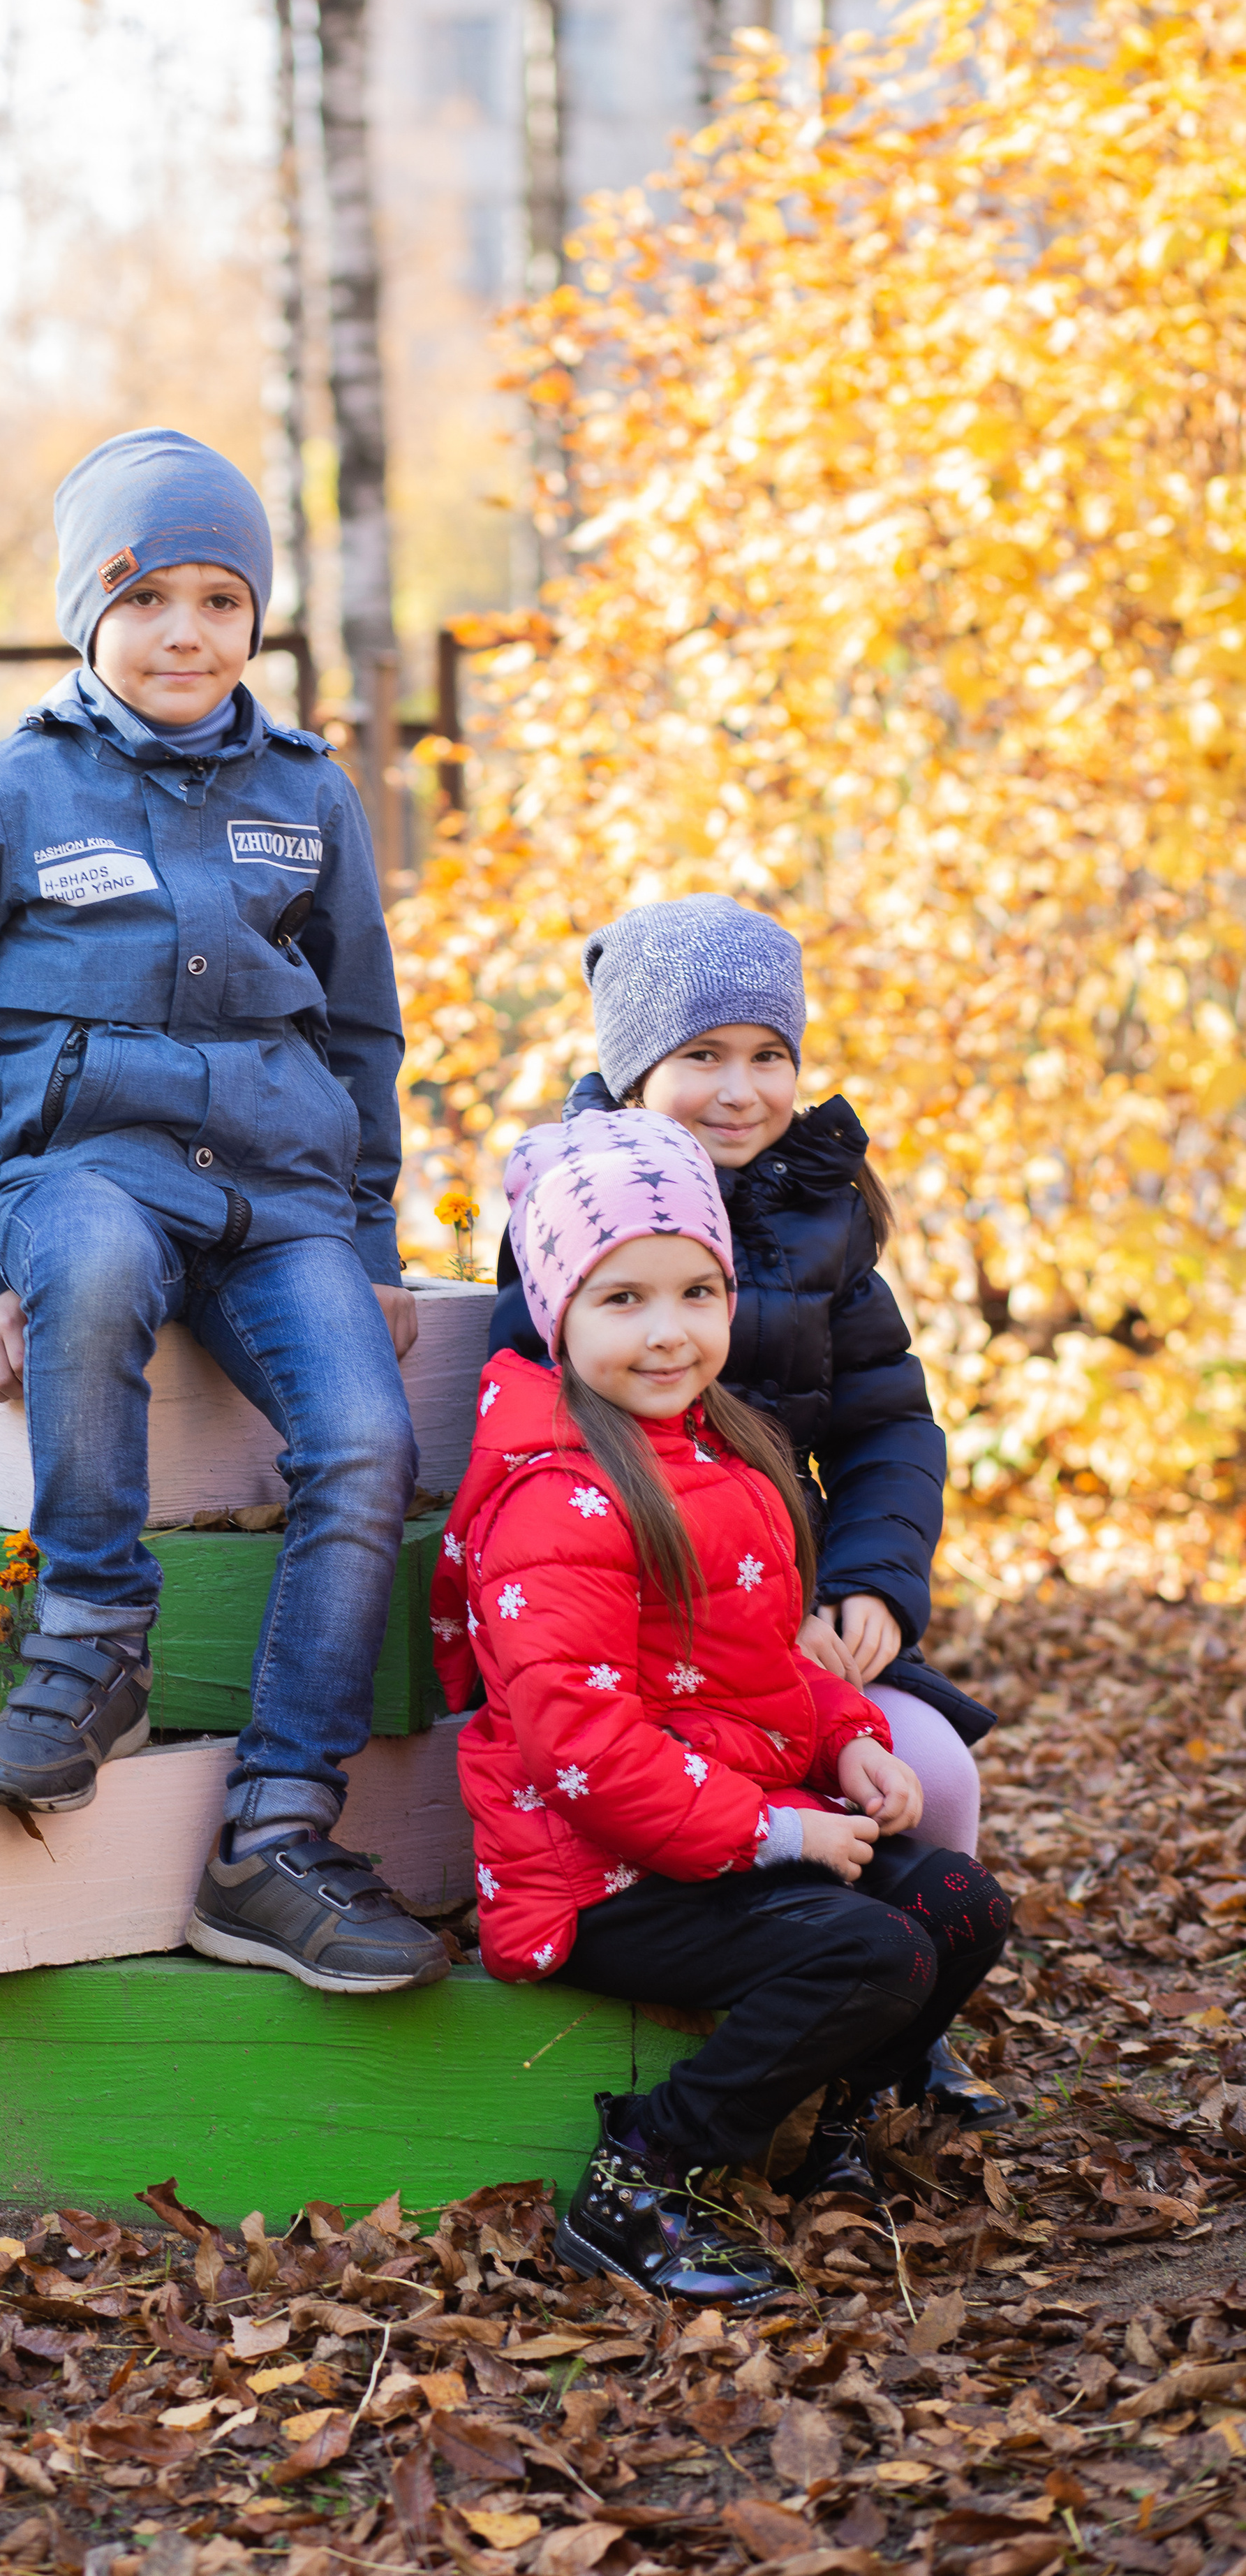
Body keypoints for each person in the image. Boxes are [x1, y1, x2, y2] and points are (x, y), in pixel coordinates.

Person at [0, 426, 448, 1995]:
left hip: (277, 1196)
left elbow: (359, 1029)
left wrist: (373, 1234)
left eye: (218, 600)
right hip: (87, 1173)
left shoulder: (306, 797)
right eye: (147, 600)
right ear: (88, 615)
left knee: (363, 1444)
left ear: (252, 619)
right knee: (101, 1268)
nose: (185, 633)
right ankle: (89, 1638)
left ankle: (274, 1831)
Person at [433, 1108, 1012, 2306]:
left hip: (710, 1833)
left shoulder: (717, 1449)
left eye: (698, 1293)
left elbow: (757, 1662)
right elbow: (586, 1751)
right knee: (868, 1949)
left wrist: (849, 1742)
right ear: (557, 1314)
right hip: (598, 1876)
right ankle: (641, 2171)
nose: (669, 1332)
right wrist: (782, 1833)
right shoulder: (556, 1504)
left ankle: (822, 2134)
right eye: (623, 1300)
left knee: (957, 1903)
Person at [487, 893, 1007, 2121]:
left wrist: (870, 1584)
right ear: (632, 1072)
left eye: (769, 1056)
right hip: (658, 1629)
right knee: (885, 1785)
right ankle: (838, 2010)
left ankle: (898, 2033)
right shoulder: (580, 1212)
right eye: (701, 1056)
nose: (741, 1089)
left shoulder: (826, 1208)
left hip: (802, 1607)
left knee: (929, 1776)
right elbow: (553, 1457)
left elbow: (890, 1422)